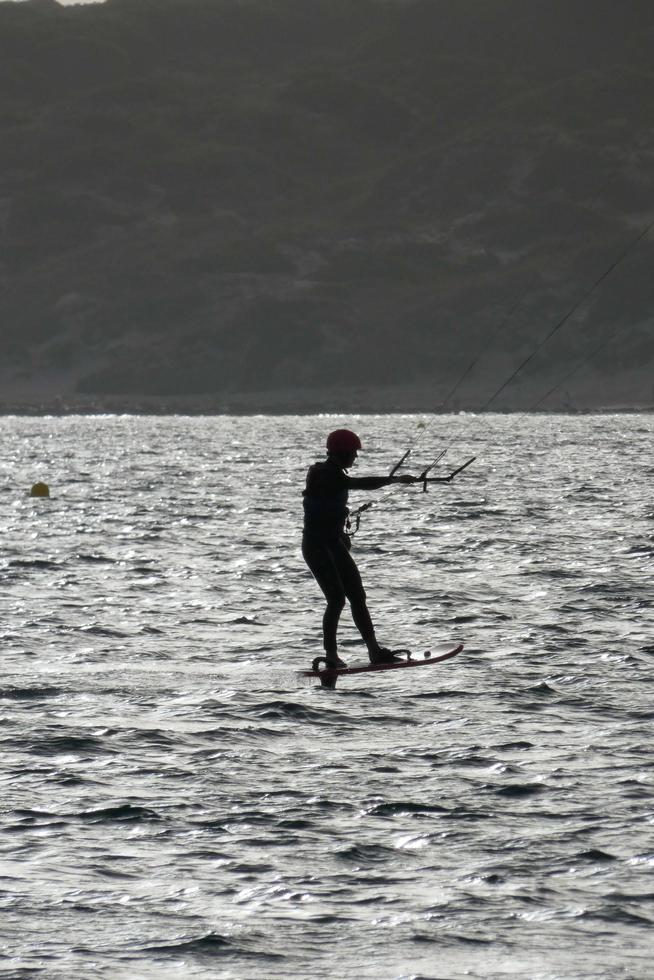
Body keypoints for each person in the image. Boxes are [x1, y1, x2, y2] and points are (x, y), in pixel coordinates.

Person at [302, 428, 419, 669]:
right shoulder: (326, 474)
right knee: (336, 600)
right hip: (317, 546)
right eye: (353, 453)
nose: (356, 457)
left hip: (333, 543)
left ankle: (374, 651)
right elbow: (357, 483)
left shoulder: (334, 472)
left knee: (358, 596)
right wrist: (393, 479)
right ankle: (331, 656)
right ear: (341, 452)